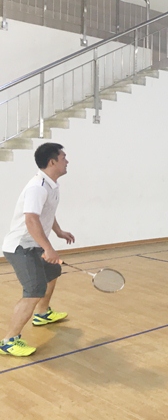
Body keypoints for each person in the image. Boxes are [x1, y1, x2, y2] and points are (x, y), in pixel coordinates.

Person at [1, 143, 75, 357]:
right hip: (20, 247)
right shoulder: (38, 187)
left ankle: (42, 314)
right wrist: (48, 248)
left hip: (32, 245)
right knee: (34, 289)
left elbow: (46, 212)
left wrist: (59, 231)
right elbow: (31, 220)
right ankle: (8, 341)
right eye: (63, 157)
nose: (67, 161)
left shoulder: (51, 185)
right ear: (52, 162)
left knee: (53, 271)